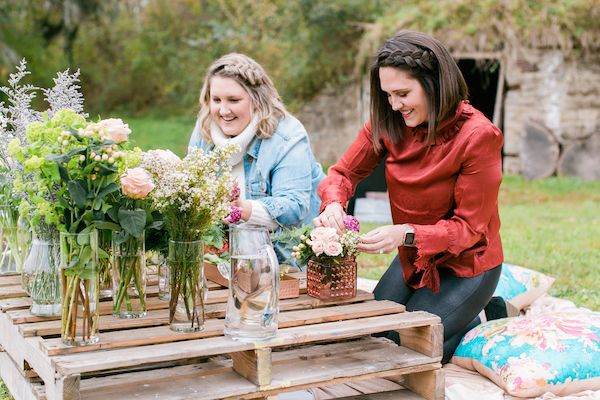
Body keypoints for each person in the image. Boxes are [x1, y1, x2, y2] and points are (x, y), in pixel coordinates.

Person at [315, 30, 503, 363]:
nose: (394, 105)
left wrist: (404, 233)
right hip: (414, 256)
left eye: (403, 93)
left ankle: (480, 313)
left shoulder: (479, 136)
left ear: (434, 83)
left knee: (408, 347)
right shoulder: (387, 123)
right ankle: (471, 318)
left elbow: (469, 229)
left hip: (467, 264)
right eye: (388, 94)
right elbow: (342, 174)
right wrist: (333, 203)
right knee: (375, 335)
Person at [188, 53, 324, 264]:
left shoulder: (287, 135)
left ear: (258, 100)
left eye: (234, 100)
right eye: (216, 100)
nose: (223, 110)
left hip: (284, 262)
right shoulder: (204, 129)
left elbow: (295, 206)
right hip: (221, 261)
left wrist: (243, 209)